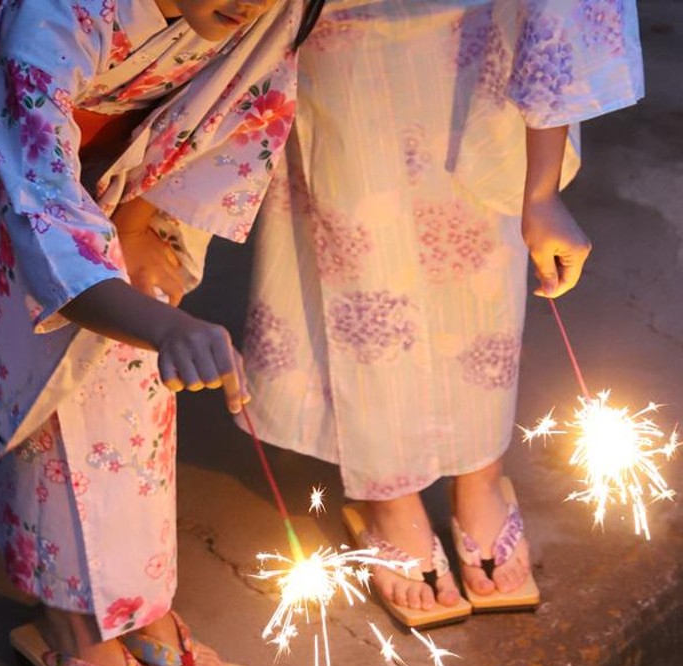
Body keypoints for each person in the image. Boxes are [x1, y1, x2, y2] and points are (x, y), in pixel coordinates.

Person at [0, 0, 308, 666]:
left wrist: (142, 220)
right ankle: (72, 618)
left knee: (133, 366)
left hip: (121, 152)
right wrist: (162, 324)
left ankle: (137, 598)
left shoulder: (274, 11)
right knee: (49, 354)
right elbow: (41, 206)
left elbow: (216, 109)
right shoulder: (60, 11)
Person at [240, 0, 644, 624]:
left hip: (477, 27)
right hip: (340, 30)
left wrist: (541, 191)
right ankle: (389, 488)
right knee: (361, 258)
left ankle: (481, 474)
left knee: (480, 256)